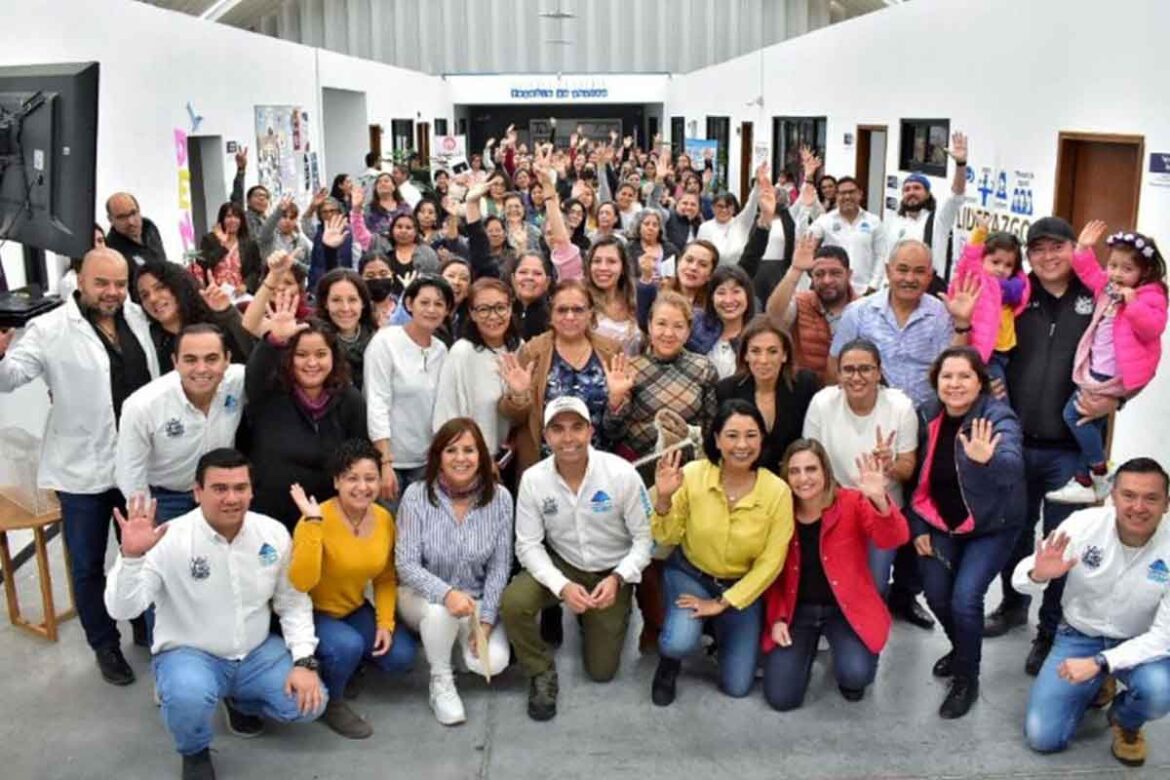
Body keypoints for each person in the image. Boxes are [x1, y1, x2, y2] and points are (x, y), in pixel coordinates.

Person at [104, 449, 326, 780]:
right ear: (197, 492)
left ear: (252, 491)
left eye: (240, 488)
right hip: (191, 654)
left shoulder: (273, 533)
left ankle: (240, 700)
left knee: (311, 704)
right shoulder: (167, 538)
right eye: (219, 488)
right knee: (188, 696)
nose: (231, 498)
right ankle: (194, 751)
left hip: (255, 653)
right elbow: (123, 609)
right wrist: (131, 556)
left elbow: (292, 602)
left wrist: (304, 661)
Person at [0, 247, 159, 685]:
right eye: (101, 283)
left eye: (119, 284)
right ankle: (104, 644)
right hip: (81, 471)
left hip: (138, 465)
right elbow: (11, 376)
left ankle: (145, 626)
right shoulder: (49, 328)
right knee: (88, 562)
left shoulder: (138, 318)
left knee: (143, 550)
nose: (112, 293)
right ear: (80, 281)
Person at [984, 217, 1117, 675]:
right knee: (1014, 529)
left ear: (1071, 250)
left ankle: (1049, 631)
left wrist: (1117, 397)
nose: (1047, 257)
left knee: (1064, 540)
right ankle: (1012, 604)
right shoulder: (1018, 298)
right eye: (1037, 249)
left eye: (1056, 247)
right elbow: (989, 345)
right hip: (1018, 439)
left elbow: (1128, 355)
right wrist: (990, 380)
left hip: (1071, 449)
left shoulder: (1096, 298)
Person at [499, 397, 653, 721]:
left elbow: (645, 539)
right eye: (557, 429)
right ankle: (540, 670)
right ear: (546, 437)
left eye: (576, 428)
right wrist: (562, 586)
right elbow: (527, 545)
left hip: (612, 569)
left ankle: (597, 618)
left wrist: (619, 578)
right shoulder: (533, 480)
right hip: (564, 563)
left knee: (601, 671)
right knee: (513, 603)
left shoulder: (622, 474)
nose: (568, 438)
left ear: (590, 431)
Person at [1018, 458, 1170, 767]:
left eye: (1151, 498)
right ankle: (1102, 682)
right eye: (1128, 495)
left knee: (1160, 690)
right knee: (1042, 737)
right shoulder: (1082, 525)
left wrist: (1101, 663)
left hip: (1138, 642)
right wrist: (1039, 573)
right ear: (1112, 496)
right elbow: (1021, 579)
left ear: (1166, 504)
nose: (1138, 507)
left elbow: (1165, 636)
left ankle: (1125, 719)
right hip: (1078, 635)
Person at [650, 399, 794, 705]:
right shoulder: (692, 474)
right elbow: (668, 535)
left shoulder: (777, 491)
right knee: (679, 642)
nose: (742, 445)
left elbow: (771, 563)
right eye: (732, 435)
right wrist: (663, 500)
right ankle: (669, 662)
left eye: (751, 435)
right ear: (716, 439)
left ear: (762, 440)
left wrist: (722, 603)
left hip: (740, 586)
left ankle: (718, 630)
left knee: (737, 686)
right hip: (691, 573)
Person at [908, 347, 1026, 719]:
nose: (955, 384)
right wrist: (918, 525)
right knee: (937, 594)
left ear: (980, 383)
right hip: (942, 520)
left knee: (965, 599)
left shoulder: (997, 417)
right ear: (936, 382)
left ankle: (966, 677)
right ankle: (963, 649)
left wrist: (985, 460)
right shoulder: (927, 413)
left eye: (964, 376)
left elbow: (1010, 470)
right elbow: (916, 478)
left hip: (992, 526)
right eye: (948, 376)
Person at [762, 441, 909, 710]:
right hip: (798, 612)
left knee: (856, 676)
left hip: (846, 610)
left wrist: (879, 500)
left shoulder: (852, 502)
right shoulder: (778, 511)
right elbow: (771, 575)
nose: (803, 478)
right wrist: (778, 618)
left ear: (825, 471)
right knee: (781, 698)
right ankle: (805, 656)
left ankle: (856, 653)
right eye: (795, 471)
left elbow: (894, 538)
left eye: (811, 469)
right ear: (786, 476)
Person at [288, 440, 417, 739]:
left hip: (352, 608)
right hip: (313, 612)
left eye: (370, 478)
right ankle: (333, 701)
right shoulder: (315, 516)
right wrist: (312, 524)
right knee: (347, 646)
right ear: (336, 481)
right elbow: (301, 582)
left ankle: (345, 663)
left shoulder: (384, 519)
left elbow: (385, 578)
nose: (362, 487)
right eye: (352, 478)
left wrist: (385, 623)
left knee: (400, 656)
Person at [396, 419, 514, 725]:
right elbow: (406, 564)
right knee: (439, 615)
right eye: (451, 450)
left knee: (493, 662)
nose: (460, 458)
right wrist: (445, 594)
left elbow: (501, 567)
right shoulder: (416, 495)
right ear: (438, 456)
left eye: (469, 450)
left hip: (473, 601)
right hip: (421, 597)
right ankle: (440, 680)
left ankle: (446, 645)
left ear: (481, 456)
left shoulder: (500, 500)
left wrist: (486, 621)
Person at [1045, 222, 1167, 504]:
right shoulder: (1108, 288)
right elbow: (1089, 272)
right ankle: (1084, 480)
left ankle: (1101, 471)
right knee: (1092, 421)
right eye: (1113, 266)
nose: (1117, 274)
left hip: (1112, 375)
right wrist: (1083, 248)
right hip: (1096, 368)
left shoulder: (1150, 296)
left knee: (1073, 415)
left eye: (1127, 269)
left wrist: (1133, 302)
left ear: (1144, 272)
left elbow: (1151, 328)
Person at [803, 338, 918, 594]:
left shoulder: (901, 407)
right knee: (836, 585)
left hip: (882, 508)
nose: (857, 377)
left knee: (874, 585)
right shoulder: (822, 403)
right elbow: (810, 462)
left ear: (878, 372)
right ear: (839, 374)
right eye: (849, 370)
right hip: (835, 505)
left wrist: (889, 465)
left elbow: (908, 467)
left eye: (865, 369)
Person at [242, 296, 367, 531]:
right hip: (270, 518)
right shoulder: (269, 394)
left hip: (328, 517)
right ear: (288, 358)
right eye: (301, 355)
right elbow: (256, 372)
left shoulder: (350, 399)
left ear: (333, 357)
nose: (311, 363)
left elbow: (360, 455)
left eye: (320, 354)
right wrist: (275, 340)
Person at [116, 324, 246, 522]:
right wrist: (145, 518)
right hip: (167, 498)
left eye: (211, 359)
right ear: (175, 362)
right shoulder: (142, 406)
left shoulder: (238, 381)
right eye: (190, 360)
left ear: (227, 359)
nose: (201, 369)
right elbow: (130, 471)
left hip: (221, 491)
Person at [831, 239, 979, 409]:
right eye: (902, 270)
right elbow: (835, 365)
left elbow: (953, 366)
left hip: (926, 416)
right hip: (870, 414)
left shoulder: (941, 314)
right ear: (888, 271)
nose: (909, 278)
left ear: (930, 276)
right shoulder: (858, 313)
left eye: (919, 271)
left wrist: (961, 322)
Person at [498, 279, 620, 474]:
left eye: (578, 310)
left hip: (601, 467)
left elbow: (620, 424)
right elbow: (514, 419)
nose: (570, 316)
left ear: (590, 313)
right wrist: (519, 396)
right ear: (551, 315)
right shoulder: (532, 352)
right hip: (545, 468)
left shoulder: (611, 351)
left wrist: (617, 400)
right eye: (562, 310)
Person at [364, 274, 454, 503]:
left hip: (426, 463)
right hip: (389, 462)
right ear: (409, 303)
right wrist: (385, 463)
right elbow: (377, 403)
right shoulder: (385, 342)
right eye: (424, 302)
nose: (431, 310)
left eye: (439, 304)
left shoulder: (441, 350)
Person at [603, 292, 718, 461]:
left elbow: (711, 428)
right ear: (649, 326)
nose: (669, 333)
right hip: (639, 465)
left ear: (688, 331)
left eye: (678, 326)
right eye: (661, 324)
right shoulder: (630, 368)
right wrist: (616, 399)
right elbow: (612, 432)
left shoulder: (703, 368)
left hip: (688, 465)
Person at [716, 318, 820, 475]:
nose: (763, 360)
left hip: (795, 478)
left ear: (784, 355)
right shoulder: (727, 390)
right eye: (755, 351)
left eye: (772, 351)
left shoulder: (806, 385)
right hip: (748, 477)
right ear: (745, 355)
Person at [432, 278, 520, 456]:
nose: (493, 316)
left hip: (512, 459)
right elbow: (448, 414)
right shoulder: (462, 353)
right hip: (471, 459)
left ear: (510, 309)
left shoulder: (520, 348)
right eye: (484, 309)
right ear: (472, 314)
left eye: (500, 307)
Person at [947, 221, 1029, 387]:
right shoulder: (978, 279)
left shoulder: (1015, 287)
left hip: (1004, 352)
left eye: (1008, 265)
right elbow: (969, 258)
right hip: (983, 353)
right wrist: (980, 233)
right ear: (982, 259)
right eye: (995, 262)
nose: (1001, 269)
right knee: (997, 398)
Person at [766, 239, 856, 384]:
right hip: (804, 391)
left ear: (849, 274)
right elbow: (773, 316)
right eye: (819, 274)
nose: (827, 280)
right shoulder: (801, 302)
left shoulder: (863, 309)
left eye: (835, 273)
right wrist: (796, 270)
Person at [135, 261, 255, 371]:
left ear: (177, 285)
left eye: (160, 288)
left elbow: (254, 355)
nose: (153, 298)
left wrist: (227, 312)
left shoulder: (215, 322)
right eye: (145, 295)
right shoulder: (151, 344)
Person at [884, 132, 969, 285]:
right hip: (899, 288)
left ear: (928, 194)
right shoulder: (894, 223)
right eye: (907, 189)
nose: (911, 193)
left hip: (931, 289)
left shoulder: (939, 219)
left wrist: (960, 165)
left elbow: (957, 195)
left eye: (917, 188)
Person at [797, 176, 888, 296]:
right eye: (842, 193)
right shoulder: (825, 221)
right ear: (836, 196)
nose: (847, 197)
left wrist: (873, 285)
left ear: (860, 194)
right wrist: (816, 275)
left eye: (851, 192)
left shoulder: (874, 222)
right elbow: (806, 244)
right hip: (831, 290)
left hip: (863, 291)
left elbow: (881, 255)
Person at [636, 240, 722, 354]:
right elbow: (643, 324)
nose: (693, 268)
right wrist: (646, 277)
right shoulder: (657, 294)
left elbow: (702, 347)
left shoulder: (714, 307)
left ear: (710, 274)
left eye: (703, 264)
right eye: (689, 260)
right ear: (679, 262)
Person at [314, 269, 377, 390]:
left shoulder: (378, 340)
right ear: (325, 303)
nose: (345, 308)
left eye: (352, 300)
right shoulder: (314, 340)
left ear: (363, 302)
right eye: (336, 300)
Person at [585, 236, 643, 356]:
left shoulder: (637, 297)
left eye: (611, 261)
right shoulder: (581, 299)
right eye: (596, 261)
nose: (603, 268)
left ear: (622, 267)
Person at [705, 266, 757, 380]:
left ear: (747, 295)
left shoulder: (758, 335)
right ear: (711, 298)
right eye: (721, 292)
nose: (728, 300)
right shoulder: (698, 333)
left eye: (736, 292)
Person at [105, 192, 167, 271]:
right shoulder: (112, 251)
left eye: (133, 213)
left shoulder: (149, 227)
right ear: (110, 219)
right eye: (122, 217)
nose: (131, 222)